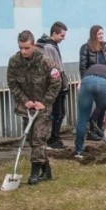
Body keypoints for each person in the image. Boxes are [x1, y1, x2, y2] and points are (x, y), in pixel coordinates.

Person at [7, 30, 62, 184]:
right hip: (27, 107)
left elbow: (56, 83)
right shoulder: (14, 61)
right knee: (32, 139)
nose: (23, 51)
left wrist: (44, 102)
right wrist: (25, 101)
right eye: (21, 48)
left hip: (43, 107)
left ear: (33, 46)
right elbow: (12, 83)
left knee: (38, 138)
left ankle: (34, 174)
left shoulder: (46, 61)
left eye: (26, 48)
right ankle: (47, 171)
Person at [36, 21, 69, 149]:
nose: (63, 38)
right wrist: (60, 84)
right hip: (55, 86)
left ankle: (56, 138)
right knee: (57, 113)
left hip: (59, 85)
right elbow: (54, 69)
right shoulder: (49, 47)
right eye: (62, 35)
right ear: (54, 33)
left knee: (60, 113)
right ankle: (52, 139)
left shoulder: (53, 45)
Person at [79, 25, 106, 139]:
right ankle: (91, 130)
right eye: (99, 34)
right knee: (90, 105)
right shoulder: (86, 48)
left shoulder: (104, 48)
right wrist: (85, 79)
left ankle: (97, 128)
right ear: (94, 35)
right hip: (91, 80)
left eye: (102, 33)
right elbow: (83, 66)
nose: (101, 36)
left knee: (102, 104)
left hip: (103, 81)